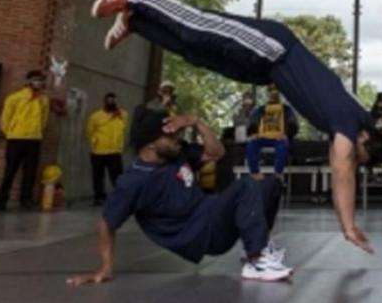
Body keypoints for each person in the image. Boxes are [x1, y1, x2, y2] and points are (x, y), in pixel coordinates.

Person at [90, 0, 382, 253]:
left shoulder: (354, 121)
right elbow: (343, 171)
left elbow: (348, 168)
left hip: (264, 70)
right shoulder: (348, 121)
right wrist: (349, 226)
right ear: (364, 137)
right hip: (273, 47)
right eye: (357, 153)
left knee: (196, 53)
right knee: (198, 29)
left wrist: (348, 220)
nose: (350, 156)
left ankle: (136, 22)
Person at [66, 107, 293, 284]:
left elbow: (217, 152)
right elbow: (107, 223)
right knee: (245, 185)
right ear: (151, 144)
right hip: (200, 233)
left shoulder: (176, 153)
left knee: (270, 184)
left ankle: (257, 246)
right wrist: (105, 268)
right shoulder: (134, 181)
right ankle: (257, 260)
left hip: (212, 215)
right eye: (171, 136)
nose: (177, 140)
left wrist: (196, 122)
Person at [0, 70, 50, 212]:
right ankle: (1, 201)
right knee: (10, 170)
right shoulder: (15, 98)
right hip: (16, 138)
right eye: (35, 80)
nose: (38, 83)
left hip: (34, 139)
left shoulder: (43, 100)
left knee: (30, 171)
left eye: (40, 80)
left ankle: (26, 200)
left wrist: (37, 130)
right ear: (28, 81)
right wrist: (9, 132)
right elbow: (6, 117)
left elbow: (44, 119)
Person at [246, 84, 298, 180]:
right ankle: (255, 172)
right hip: (262, 138)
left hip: (279, 138)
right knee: (251, 145)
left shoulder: (286, 109)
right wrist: (253, 133)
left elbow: (293, 124)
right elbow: (253, 122)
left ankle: (278, 173)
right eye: (270, 91)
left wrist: (287, 134)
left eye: (275, 91)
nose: (273, 93)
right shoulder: (261, 110)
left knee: (283, 146)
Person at [86, 92, 128, 206]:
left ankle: (120, 196)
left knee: (117, 176)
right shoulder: (96, 116)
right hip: (98, 151)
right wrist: (95, 141)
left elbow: (123, 128)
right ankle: (99, 197)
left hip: (114, 151)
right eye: (108, 100)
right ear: (104, 102)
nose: (111, 102)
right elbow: (89, 131)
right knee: (98, 176)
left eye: (113, 100)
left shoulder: (122, 115)